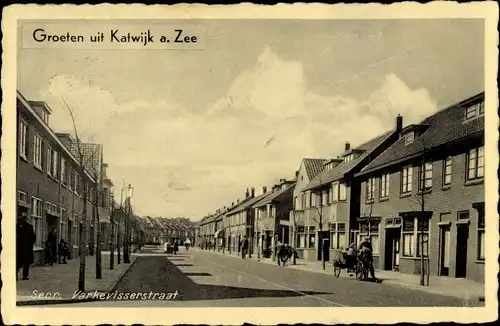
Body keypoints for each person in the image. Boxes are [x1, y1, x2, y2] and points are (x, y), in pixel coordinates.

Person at [16, 212, 35, 280]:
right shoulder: (18, 226)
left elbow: (33, 238)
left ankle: (20, 275)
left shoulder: (28, 226)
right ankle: (23, 275)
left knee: (21, 262)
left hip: (24, 247)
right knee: (21, 261)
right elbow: (33, 238)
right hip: (22, 247)